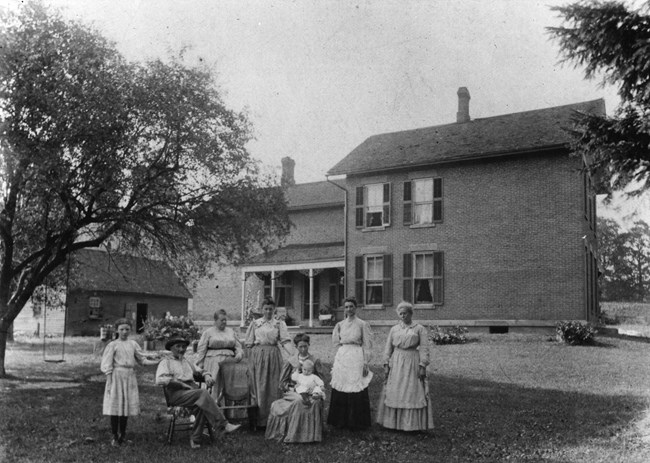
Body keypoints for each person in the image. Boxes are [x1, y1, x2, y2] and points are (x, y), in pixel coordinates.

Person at [155, 337, 241, 449]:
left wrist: (207, 375)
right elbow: (159, 380)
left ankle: (195, 439)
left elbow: (199, 371)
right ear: (171, 348)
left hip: (191, 392)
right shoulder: (165, 362)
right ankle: (223, 425)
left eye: (184, 346)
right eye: (178, 346)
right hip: (176, 393)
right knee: (202, 394)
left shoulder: (186, 361)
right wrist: (180, 384)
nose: (181, 349)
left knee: (201, 406)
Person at [100, 318, 160, 446]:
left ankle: (123, 435)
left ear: (130, 330)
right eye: (122, 329)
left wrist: (158, 362)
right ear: (117, 330)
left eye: (127, 329)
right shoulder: (113, 345)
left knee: (125, 407)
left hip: (129, 377)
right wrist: (110, 381)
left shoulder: (133, 344)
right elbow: (107, 364)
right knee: (116, 407)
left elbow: (142, 360)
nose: (124, 332)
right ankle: (114, 436)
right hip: (116, 377)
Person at [376, 301, 434, 431]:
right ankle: (393, 423)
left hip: (412, 360)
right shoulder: (394, 329)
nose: (403, 316)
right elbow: (388, 347)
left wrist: (422, 365)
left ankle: (411, 425)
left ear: (411, 313)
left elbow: (424, 348)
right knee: (396, 389)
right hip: (397, 361)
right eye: (400, 314)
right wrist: (386, 363)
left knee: (411, 390)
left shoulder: (419, 329)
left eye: (405, 313)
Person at [265, 333, 325, 443]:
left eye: (305, 346)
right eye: (300, 347)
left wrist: (315, 387)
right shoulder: (291, 361)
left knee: (315, 402)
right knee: (299, 400)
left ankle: (313, 436)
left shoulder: (314, 360)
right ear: (296, 347)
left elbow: (321, 380)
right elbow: (282, 383)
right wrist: (292, 388)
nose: (303, 349)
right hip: (292, 391)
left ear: (309, 345)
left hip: (311, 391)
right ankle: (296, 436)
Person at [244, 296, 293, 428]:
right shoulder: (255, 324)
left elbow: (285, 341)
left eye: (271, 309)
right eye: (266, 309)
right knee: (259, 386)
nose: (268, 312)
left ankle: (274, 419)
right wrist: (248, 362)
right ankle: (259, 421)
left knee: (273, 385)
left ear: (274, 310)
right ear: (262, 309)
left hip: (273, 356)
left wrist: (294, 356)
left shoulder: (279, 324)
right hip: (258, 357)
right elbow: (248, 344)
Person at [327, 296, 374, 430]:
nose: (349, 309)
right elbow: (336, 343)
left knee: (356, 385)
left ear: (356, 308)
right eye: (346, 307)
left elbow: (367, 345)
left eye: (351, 306)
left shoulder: (362, 324)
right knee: (341, 385)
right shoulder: (340, 325)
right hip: (343, 356)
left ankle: (357, 422)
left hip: (356, 355)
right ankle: (340, 420)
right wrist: (339, 358)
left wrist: (366, 362)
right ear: (344, 309)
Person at [195, 309, 244, 403]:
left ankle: (228, 411)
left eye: (225, 320)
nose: (224, 322)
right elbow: (201, 350)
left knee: (228, 387)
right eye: (222, 320)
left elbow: (238, 347)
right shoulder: (208, 332)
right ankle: (213, 409)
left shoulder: (231, 332)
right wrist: (200, 366)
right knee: (215, 387)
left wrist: (239, 353)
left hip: (229, 362)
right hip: (213, 363)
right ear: (215, 320)